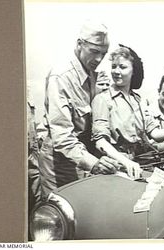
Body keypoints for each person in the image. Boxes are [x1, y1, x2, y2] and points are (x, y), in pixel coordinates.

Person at [38, 20, 120, 199]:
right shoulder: (61, 77)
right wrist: (94, 163)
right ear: (79, 44)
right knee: (60, 217)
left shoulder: (91, 73)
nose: (99, 59)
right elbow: (62, 137)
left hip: (81, 160)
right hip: (58, 165)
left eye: (103, 54)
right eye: (94, 52)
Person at [91, 45, 164, 179]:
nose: (116, 71)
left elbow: (154, 133)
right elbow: (100, 141)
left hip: (142, 163)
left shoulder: (137, 100)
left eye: (122, 67)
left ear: (133, 71)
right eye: (114, 66)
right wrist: (126, 162)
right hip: (118, 167)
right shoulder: (102, 99)